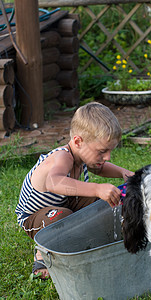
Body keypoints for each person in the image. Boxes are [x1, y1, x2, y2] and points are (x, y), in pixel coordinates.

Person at [15, 102, 134, 279]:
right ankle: (42, 253)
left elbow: (100, 169)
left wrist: (124, 173)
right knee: (61, 217)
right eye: (102, 151)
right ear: (78, 141)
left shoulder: (83, 156)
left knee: (107, 200)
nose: (107, 157)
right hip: (36, 217)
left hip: (63, 203)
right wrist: (96, 188)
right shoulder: (62, 156)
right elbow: (53, 182)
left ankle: (103, 236)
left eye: (109, 151)